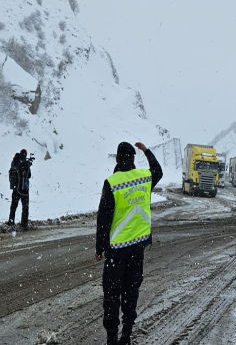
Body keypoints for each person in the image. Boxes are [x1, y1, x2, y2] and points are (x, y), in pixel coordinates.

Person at [96, 142, 163, 345]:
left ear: (117, 159)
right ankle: (126, 336)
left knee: (112, 294)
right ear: (133, 159)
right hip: (138, 248)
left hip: (117, 250)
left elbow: (104, 218)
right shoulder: (144, 177)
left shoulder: (112, 182)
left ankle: (112, 339)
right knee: (131, 291)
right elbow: (158, 170)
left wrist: (100, 247)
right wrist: (146, 151)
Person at [8, 149, 32, 230]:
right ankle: (11, 222)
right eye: (23, 153)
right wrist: (25, 164)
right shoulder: (16, 160)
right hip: (18, 188)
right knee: (15, 206)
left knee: (24, 207)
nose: (24, 155)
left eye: (25, 154)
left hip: (24, 188)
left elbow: (28, 175)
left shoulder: (24, 162)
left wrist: (27, 166)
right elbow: (17, 167)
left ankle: (23, 224)